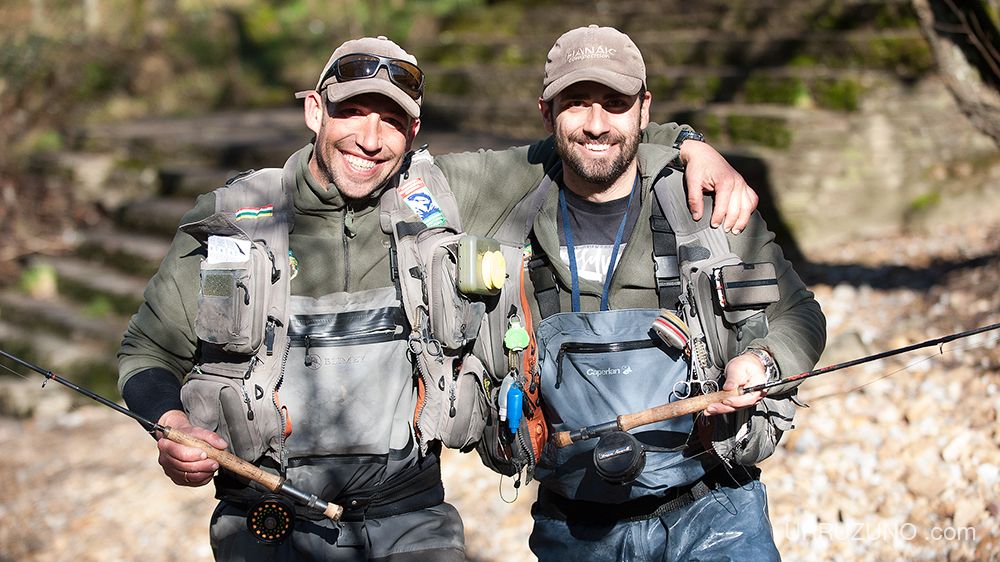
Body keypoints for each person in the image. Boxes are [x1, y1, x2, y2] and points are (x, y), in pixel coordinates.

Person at [116, 34, 759, 560]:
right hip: (266, 515)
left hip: (412, 517)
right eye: (352, 111)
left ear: (414, 130)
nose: (370, 138)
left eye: (392, 120)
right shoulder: (233, 216)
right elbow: (147, 350)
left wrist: (689, 142)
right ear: (315, 110)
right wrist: (168, 421)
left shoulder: (444, 192)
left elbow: (591, 140)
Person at [443, 25, 827, 561]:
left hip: (714, 507)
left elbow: (802, 314)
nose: (597, 124)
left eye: (616, 103)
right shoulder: (503, 189)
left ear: (644, 110)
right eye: (576, 104)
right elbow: (380, 164)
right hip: (573, 523)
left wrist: (762, 361)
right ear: (546, 112)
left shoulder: (705, 203)